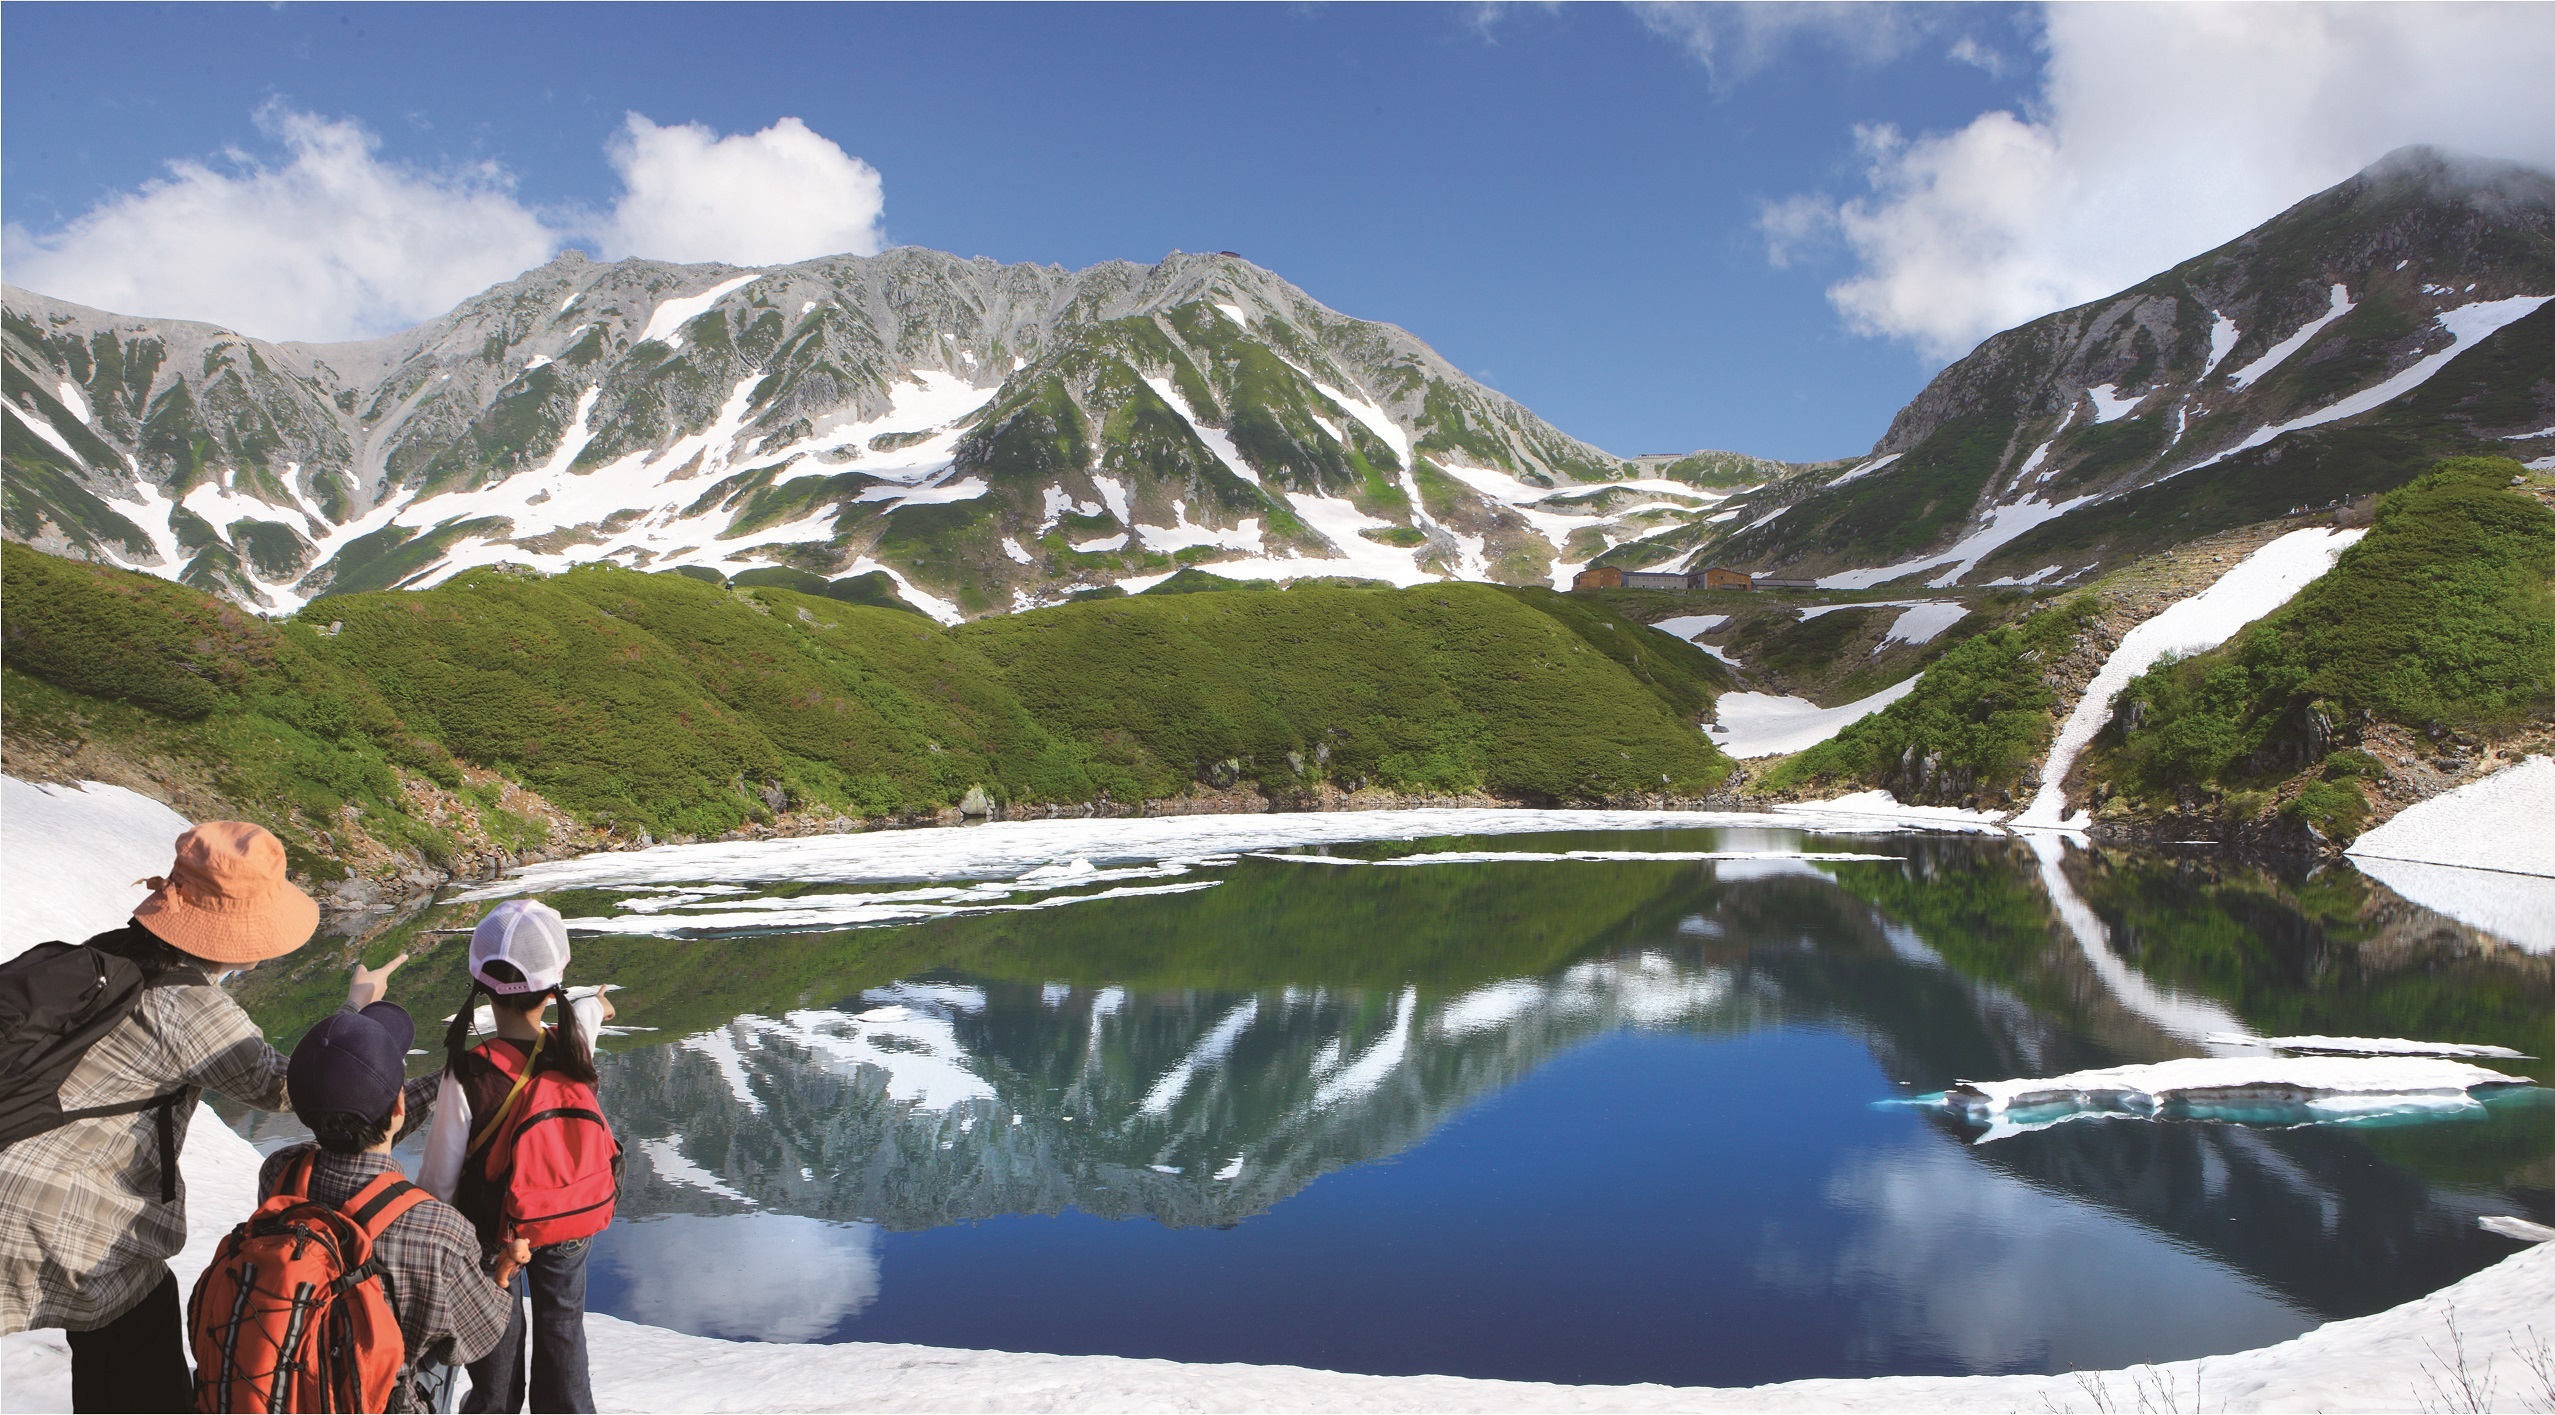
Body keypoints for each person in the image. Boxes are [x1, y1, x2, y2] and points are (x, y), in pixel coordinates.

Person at [0, 820, 393, 1412]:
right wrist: (357, 1010)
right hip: (61, 1213)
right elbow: (299, 1088)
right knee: (141, 1357)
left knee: (121, 1338)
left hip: (15, 1174)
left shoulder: (111, 951)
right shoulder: (192, 1008)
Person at [229, 1001, 528, 1412]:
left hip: (282, 1381)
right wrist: (502, 1278)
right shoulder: (436, 1228)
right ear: (400, 1109)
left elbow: (350, 1134)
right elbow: (479, 1333)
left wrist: (441, 1082)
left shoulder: (279, 1173)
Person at [419, 900, 620, 1415]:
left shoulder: (467, 1072)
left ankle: (494, 1407)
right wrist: (596, 1003)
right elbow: (589, 1016)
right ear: (554, 983)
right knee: (563, 1321)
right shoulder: (572, 1045)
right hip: (569, 1216)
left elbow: (439, 1184)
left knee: (497, 1331)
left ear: (481, 983)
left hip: (495, 1231)